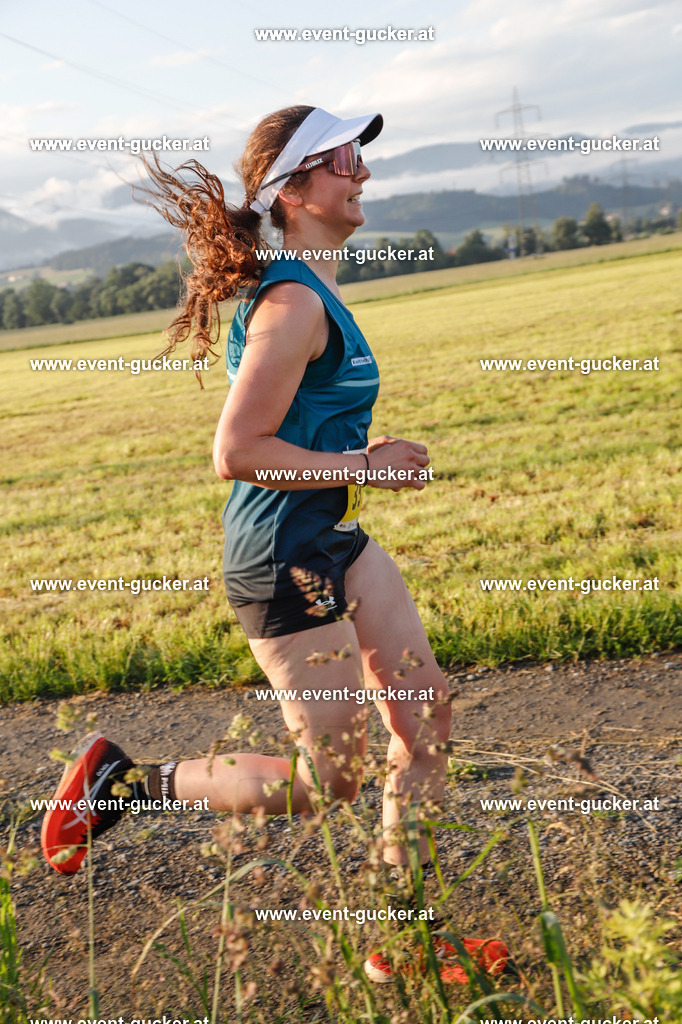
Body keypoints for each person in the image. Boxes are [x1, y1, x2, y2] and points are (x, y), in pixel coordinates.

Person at [41, 105, 508, 984]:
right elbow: (237, 452)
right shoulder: (291, 305)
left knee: (425, 719)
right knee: (327, 781)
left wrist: (354, 460)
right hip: (281, 556)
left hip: (334, 537)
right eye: (343, 159)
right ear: (292, 190)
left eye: (358, 158)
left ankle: (403, 942)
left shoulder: (310, 291)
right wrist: (362, 463)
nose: (362, 173)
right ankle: (125, 785)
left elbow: (294, 431)